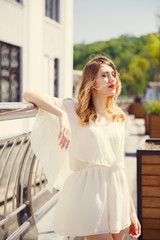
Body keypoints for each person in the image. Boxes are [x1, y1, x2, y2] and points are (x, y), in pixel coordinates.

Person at [22, 56, 141, 240]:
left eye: (113, 74)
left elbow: (120, 166)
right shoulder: (74, 110)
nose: (112, 79)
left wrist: (131, 212)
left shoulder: (118, 116)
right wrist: (61, 114)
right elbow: (29, 94)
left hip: (117, 194)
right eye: (105, 75)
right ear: (92, 82)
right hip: (90, 195)